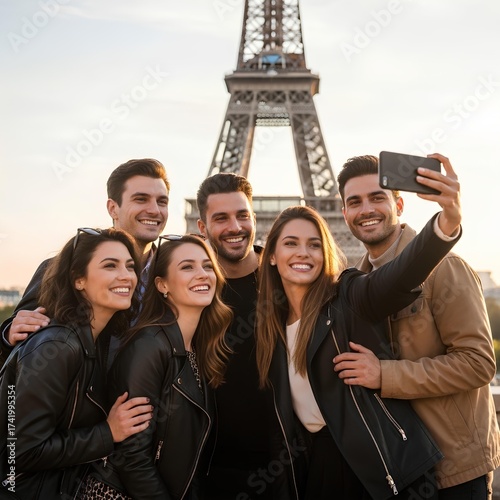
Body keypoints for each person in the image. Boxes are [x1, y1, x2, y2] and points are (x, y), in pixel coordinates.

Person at [255, 157, 463, 499]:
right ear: (273, 255)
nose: (303, 252)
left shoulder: (348, 296)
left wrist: (446, 223)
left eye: (314, 243)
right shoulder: (270, 327)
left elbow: (401, 275)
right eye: (290, 243)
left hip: (379, 469)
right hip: (315, 467)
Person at [335, 153, 500, 499]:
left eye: (377, 197)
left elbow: (479, 363)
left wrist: (385, 375)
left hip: (452, 469)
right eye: (355, 202)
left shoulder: (446, 268)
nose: (366, 209)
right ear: (344, 213)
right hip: (397, 465)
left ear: (399, 203)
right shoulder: (354, 286)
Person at [0, 228, 153, 499]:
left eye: (130, 267)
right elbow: (21, 451)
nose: (126, 276)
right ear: (78, 280)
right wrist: (108, 432)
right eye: (110, 265)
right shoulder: (58, 346)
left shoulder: (90, 341)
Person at [78, 234, 233, 499]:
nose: (202, 274)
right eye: (187, 267)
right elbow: (132, 457)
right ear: (162, 285)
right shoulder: (148, 347)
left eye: (208, 266)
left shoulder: (194, 345)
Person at [0, 158, 170, 364]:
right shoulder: (60, 268)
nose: (155, 210)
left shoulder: (176, 274)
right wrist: (9, 334)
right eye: (141, 199)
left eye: (162, 201)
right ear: (113, 208)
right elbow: (19, 346)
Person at [196, 173, 275, 499]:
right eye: (221, 218)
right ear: (202, 228)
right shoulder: (190, 289)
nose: (235, 227)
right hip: (211, 467)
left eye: (242, 215)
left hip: (286, 461)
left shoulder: (285, 277)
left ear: (253, 218)